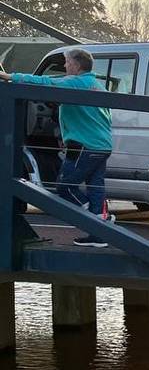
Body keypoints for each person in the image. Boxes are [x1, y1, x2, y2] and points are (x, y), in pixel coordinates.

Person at [0, 48, 113, 247]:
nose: (65, 66)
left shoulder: (75, 82)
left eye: (67, 63)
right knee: (96, 187)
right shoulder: (96, 85)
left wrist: (10, 77)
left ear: (77, 66)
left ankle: (96, 220)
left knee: (65, 187)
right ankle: (99, 234)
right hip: (102, 146)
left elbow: (47, 82)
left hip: (83, 147)